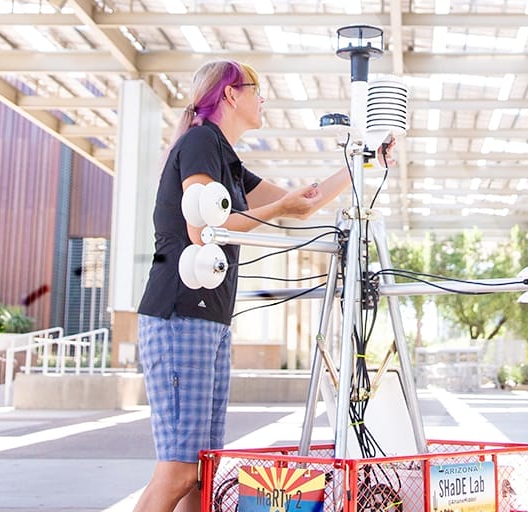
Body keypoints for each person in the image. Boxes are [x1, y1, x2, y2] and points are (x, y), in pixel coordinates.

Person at [132, 60, 387, 512]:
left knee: (201, 473)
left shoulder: (227, 161)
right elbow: (202, 228)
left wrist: (365, 161)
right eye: (256, 89)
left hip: (210, 320)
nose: (263, 98)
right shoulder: (200, 143)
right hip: (179, 314)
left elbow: (302, 206)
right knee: (178, 472)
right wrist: (278, 209)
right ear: (231, 94)